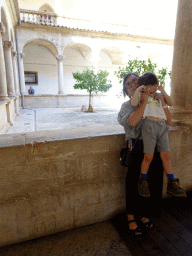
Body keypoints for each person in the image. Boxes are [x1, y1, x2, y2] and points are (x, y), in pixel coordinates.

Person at [118, 73, 164, 236]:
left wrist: (158, 99)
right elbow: (130, 122)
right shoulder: (126, 106)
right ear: (126, 89)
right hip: (136, 148)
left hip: (153, 149)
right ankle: (131, 215)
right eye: (128, 84)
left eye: (136, 82)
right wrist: (143, 103)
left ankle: (144, 213)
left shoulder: (153, 100)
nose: (132, 85)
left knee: (150, 184)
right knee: (133, 183)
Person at [131, 72, 187, 198]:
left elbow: (171, 103)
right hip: (149, 125)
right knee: (149, 156)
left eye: (155, 85)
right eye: (149, 85)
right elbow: (134, 103)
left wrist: (162, 92)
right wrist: (139, 89)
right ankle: (143, 179)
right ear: (144, 87)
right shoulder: (143, 96)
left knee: (165, 155)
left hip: (162, 126)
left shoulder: (159, 96)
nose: (153, 88)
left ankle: (172, 182)